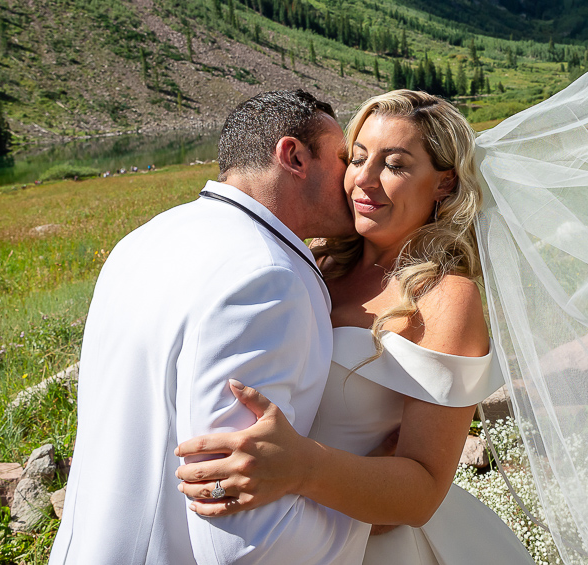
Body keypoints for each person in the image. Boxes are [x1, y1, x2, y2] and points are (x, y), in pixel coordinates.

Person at [174, 90, 533, 565]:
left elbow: (422, 493)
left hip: (374, 545)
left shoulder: (447, 297)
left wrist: (302, 465)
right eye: (356, 158)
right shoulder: (314, 264)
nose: (363, 180)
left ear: (444, 184)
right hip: (266, 534)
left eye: (396, 165)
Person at [49, 89, 371, 565]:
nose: (355, 178)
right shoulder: (266, 279)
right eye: (345, 158)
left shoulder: (144, 239)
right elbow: (244, 542)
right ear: (294, 156)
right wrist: (367, 512)